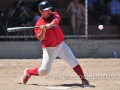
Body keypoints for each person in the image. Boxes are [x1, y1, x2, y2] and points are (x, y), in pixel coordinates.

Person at [21, 1, 89, 87]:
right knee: (44, 71)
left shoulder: (54, 14)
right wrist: (43, 31)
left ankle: (84, 80)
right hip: (49, 49)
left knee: (73, 60)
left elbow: (56, 20)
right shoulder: (39, 24)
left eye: (50, 9)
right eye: (46, 10)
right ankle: (28, 72)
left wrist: (50, 25)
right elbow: (40, 38)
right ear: (41, 11)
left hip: (61, 45)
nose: (49, 11)